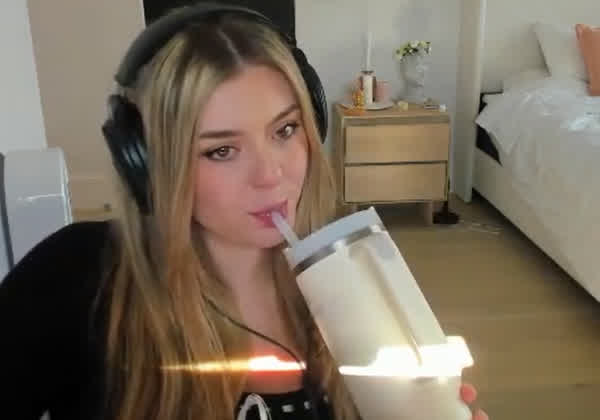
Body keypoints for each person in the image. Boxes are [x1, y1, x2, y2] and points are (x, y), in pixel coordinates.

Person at [0, 4, 489, 420]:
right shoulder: (78, 278)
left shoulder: (355, 277)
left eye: (284, 130)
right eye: (221, 151)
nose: (270, 175)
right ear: (146, 165)